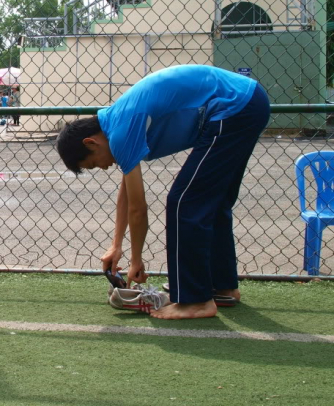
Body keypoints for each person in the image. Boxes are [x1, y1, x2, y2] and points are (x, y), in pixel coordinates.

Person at [56, 65, 269, 320]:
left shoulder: (121, 130)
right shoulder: (117, 121)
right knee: (213, 202)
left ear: (91, 142)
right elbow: (127, 194)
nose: (103, 167)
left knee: (184, 202)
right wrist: (117, 246)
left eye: (93, 163)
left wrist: (136, 261)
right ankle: (222, 287)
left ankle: (196, 300)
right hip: (246, 102)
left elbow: (138, 207)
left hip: (233, 106)